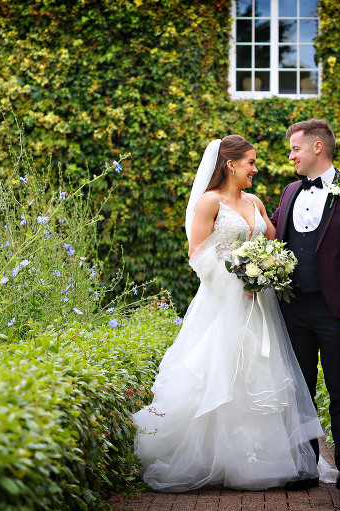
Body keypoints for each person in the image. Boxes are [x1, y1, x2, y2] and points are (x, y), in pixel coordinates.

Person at [131, 135, 323, 492]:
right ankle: (209, 457)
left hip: (260, 303)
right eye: (250, 162)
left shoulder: (255, 201)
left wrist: (270, 268)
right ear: (230, 165)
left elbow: (276, 241)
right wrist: (239, 277)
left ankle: (262, 458)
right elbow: (198, 255)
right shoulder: (209, 202)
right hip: (222, 302)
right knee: (217, 371)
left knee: (260, 373)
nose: (255, 168)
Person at [270, 119, 340, 495]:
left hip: (335, 309)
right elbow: (271, 234)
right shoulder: (288, 192)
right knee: (300, 390)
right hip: (291, 307)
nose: (290, 156)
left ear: (317, 147)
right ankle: (305, 468)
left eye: (295, 149)